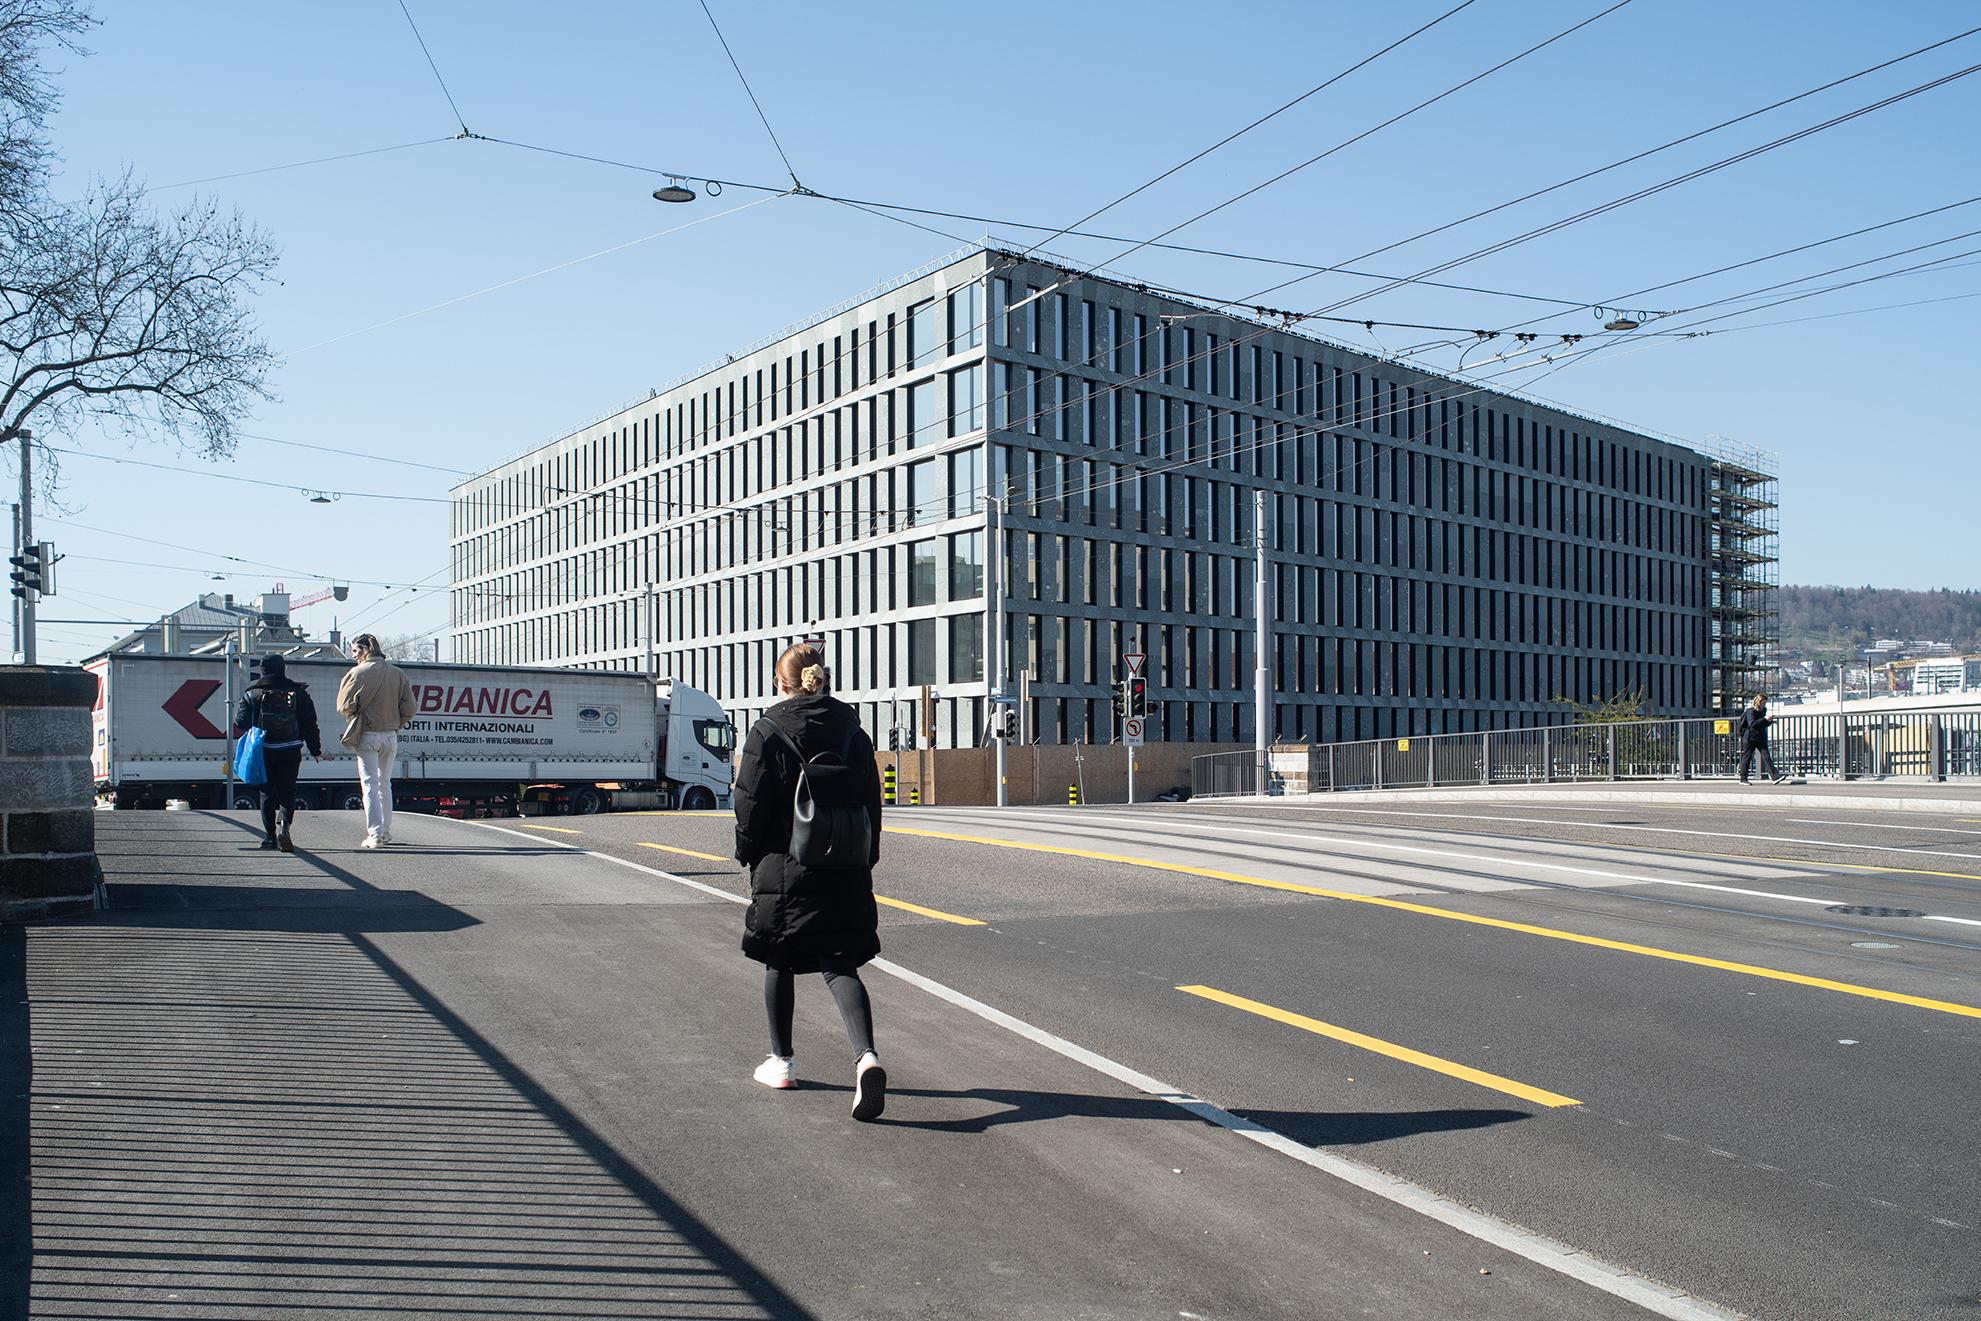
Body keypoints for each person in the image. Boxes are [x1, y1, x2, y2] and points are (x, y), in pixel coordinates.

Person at [732, 642, 887, 1120]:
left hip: (785, 866)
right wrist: (865, 858)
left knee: (779, 959)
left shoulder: (767, 729)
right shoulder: (853, 733)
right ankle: (867, 1058)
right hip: (844, 865)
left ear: (781, 683)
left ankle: (781, 1061)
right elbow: (871, 803)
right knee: (840, 964)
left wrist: (748, 854)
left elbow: (749, 805)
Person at [233, 654, 322, 852]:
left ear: (262, 671)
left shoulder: (252, 694)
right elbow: (310, 724)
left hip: (263, 750)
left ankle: (269, 837)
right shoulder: (299, 693)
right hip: (291, 749)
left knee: (266, 793)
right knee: (287, 791)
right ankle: (285, 826)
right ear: (283, 669)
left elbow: (240, 723)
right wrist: (315, 749)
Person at [336, 633, 417, 848]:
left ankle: (375, 834)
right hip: (391, 735)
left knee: (369, 785)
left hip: (368, 734)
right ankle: (387, 832)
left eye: (355, 651)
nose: (353, 656)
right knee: (385, 785)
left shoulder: (357, 673)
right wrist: (396, 723)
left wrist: (357, 711)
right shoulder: (398, 674)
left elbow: (343, 705)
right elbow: (410, 708)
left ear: (364, 650)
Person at [1736, 693, 1781, 784]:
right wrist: (1765, 720)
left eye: (1765, 703)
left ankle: (1775, 777)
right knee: (1747, 758)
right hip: (1750, 738)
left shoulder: (1763, 710)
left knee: (1766, 756)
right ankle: (1743, 779)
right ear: (1759, 702)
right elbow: (1752, 724)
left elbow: (1761, 724)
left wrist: (1770, 722)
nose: (1764, 704)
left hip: (1760, 737)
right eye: (1763, 702)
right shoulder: (1750, 711)